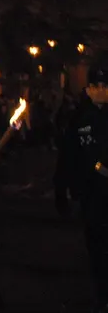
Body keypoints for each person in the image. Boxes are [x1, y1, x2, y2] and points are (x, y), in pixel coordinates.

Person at [57, 62, 108, 312]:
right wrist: (63, 190)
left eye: (105, 86)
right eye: (96, 86)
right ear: (88, 90)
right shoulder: (80, 118)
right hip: (92, 194)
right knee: (97, 245)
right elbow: (69, 156)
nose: (101, 90)